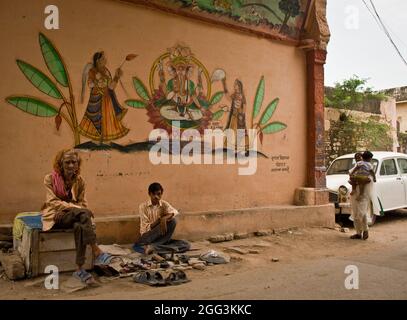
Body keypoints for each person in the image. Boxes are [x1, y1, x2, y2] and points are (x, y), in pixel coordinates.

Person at [41, 149, 112, 284]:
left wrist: (74, 209)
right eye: (67, 162)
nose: (71, 166)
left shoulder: (80, 181)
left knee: (80, 226)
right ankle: (96, 250)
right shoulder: (49, 178)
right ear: (60, 164)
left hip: (74, 216)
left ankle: (79, 269)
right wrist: (74, 208)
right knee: (84, 213)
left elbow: (82, 203)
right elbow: (52, 202)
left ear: (78, 164)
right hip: (56, 216)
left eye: (74, 162)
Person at [78, 51, 129, 144]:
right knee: (96, 120)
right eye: (103, 58)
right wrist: (97, 81)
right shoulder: (92, 71)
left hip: (107, 100)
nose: (105, 60)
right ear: (97, 61)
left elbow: (111, 87)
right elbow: (90, 84)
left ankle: (105, 142)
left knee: (108, 120)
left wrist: (116, 77)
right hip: (97, 98)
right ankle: (97, 141)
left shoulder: (106, 71)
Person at [133, 183, 179, 254]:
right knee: (172, 221)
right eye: (153, 194)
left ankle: (153, 247)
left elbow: (174, 212)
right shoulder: (143, 206)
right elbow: (146, 228)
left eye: (159, 194)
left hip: (160, 239)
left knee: (186, 244)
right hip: (147, 237)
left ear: (162, 194)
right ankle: (160, 247)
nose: (156, 197)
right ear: (149, 194)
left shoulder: (164, 204)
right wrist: (159, 221)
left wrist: (165, 218)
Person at [349, 150, 378, 240]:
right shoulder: (357, 167)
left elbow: (369, 180)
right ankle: (358, 233)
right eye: (356, 157)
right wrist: (354, 182)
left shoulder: (367, 168)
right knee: (355, 213)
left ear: (362, 157)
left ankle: (365, 230)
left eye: (359, 157)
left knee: (362, 213)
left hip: (364, 195)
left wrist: (361, 181)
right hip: (355, 194)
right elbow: (351, 177)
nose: (358, 158)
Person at [222, 78, 249, 151]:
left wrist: (241, 115)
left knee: (239, 131)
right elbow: (228, 98)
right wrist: (224, 85)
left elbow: (244, 106)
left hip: (239, 117)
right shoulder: (234, 95)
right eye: (234, 84)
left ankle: (241, 147)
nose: (234, 86)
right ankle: (231, 147)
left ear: (239, 86)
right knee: (232, 131)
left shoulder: (242, 96)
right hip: (234, 116)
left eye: (235, 84)